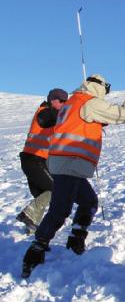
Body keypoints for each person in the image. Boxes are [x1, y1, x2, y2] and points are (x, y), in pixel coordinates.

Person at [22, 74, 125, 278]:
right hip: (70, 164)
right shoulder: (89, 102)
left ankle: (75, 241)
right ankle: (35, 252)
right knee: (59, 211)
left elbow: (79, 124)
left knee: (89, 201)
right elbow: (122, 114)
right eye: (105, 89)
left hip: (66, 164)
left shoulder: (72, 103)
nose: (106, 93)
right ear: (98, 87)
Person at [16, 88, 69, 234]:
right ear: (53, 101)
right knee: (57, 189)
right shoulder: (45, 112)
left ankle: (31, 229)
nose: (64, 104)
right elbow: (60, 117)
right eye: (62, 102)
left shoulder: (51, 114)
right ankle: (28, 215)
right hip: (34, 160)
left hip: (34, 160)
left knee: (43, 195)